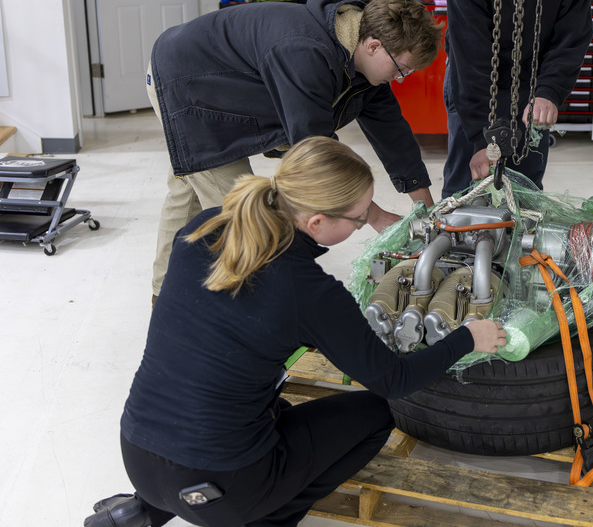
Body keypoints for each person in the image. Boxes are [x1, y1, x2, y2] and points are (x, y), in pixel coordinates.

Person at [85, 136, 507, 527]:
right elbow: (394, 380)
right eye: (359, 220)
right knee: (379, 413)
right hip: (222, 483)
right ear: (318, 222)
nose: (361, 226)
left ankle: (141, 513)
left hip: (138, 456)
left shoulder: (204, 226)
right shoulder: (308, 292)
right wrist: (469, 336)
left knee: (264, 405)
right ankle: (264, 517)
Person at [146, 0, 443, 302]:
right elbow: (312, 151)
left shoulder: (360, 52)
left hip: (211, 77)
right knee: (241, 211)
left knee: (186, 192)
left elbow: (391, 130)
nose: (400, 78)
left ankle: (162, 296)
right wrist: (372, 214)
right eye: (402, 69)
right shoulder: (305, 52)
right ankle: (252, 312)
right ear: (373, 46)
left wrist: (426, 208)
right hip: (187, 84)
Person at [442, 0, 593, 197]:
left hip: (533, 81)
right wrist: (482, 140)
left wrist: (550, 89)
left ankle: (520, 241)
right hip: (474, 80)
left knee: (524, 186)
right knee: (467, 179)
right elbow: (470, 62)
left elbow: (572, 36)